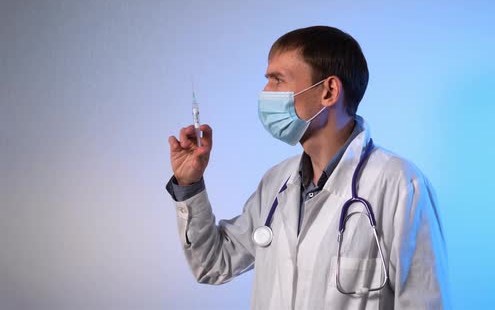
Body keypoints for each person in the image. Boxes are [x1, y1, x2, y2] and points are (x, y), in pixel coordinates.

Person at [166, 26, 450, 309]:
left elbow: (424, 301)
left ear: (328, 91)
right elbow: (214, 264)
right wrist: (189, 184)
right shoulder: (277, 182)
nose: (265, 93)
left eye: (277, 80)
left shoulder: (399, 185)